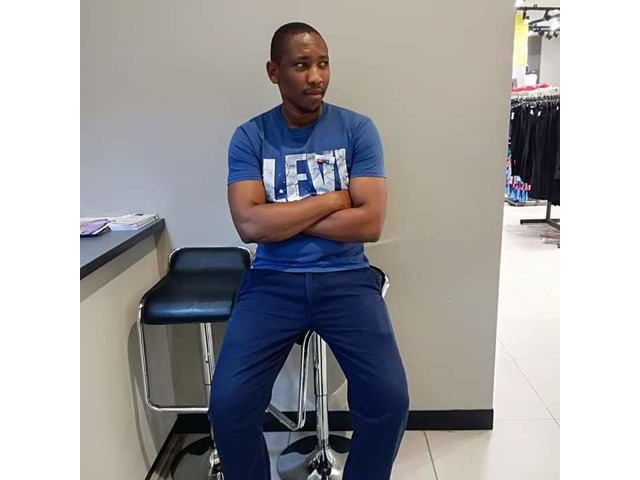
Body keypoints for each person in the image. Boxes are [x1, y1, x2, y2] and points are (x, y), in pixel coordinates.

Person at [209, 21, 410, 480]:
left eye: (323, 64)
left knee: (389, 400)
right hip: (271, 282)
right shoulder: (251, 136)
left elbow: (370, 223)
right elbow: (249, 225)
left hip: (347, 279)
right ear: (273, 71)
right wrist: (333, 200)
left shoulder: (357, 129)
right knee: (229, 404)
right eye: (301, 65)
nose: (316, 76)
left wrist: (281, 217)